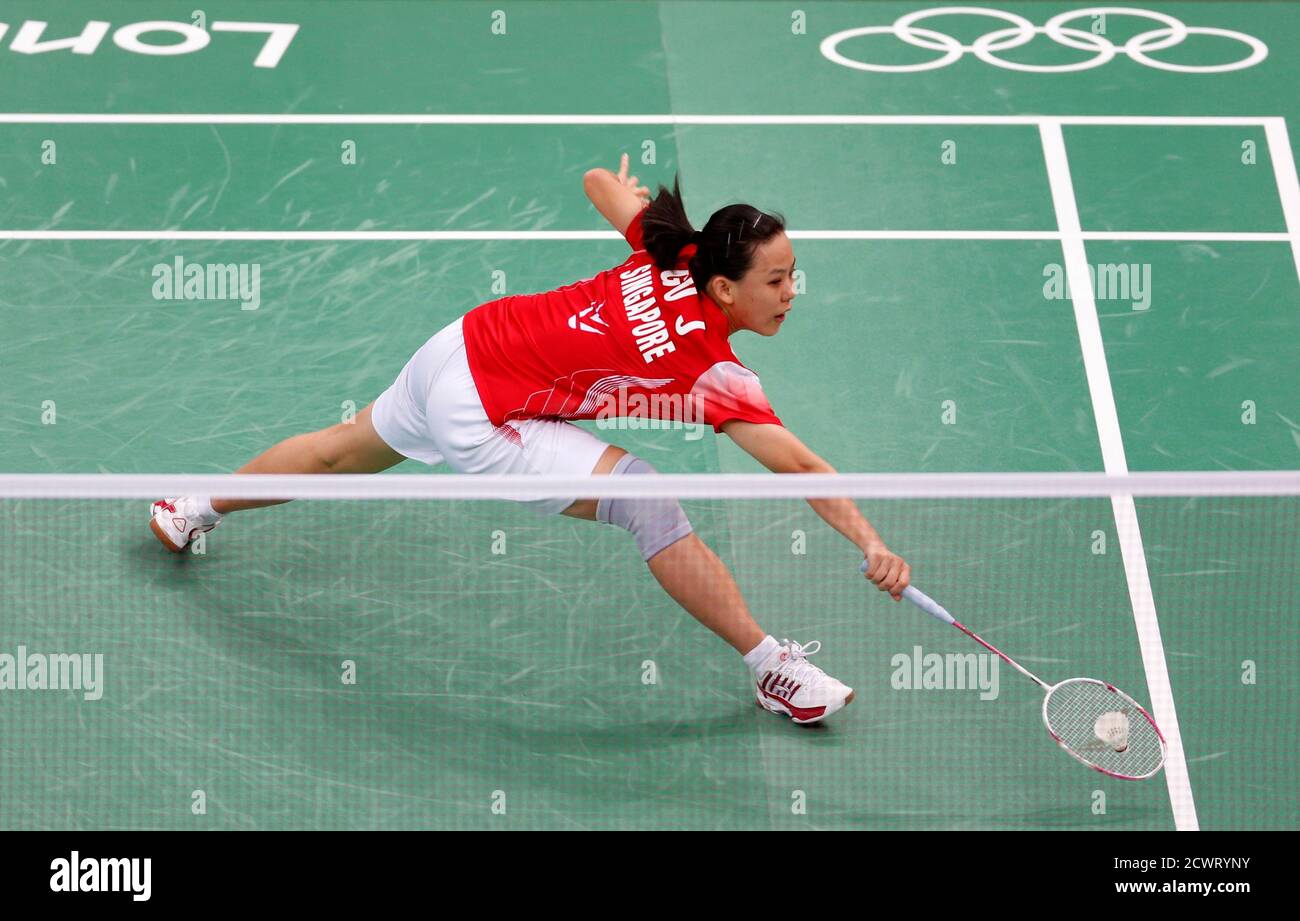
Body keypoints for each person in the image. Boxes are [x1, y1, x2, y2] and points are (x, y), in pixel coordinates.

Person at [150, 154, 912, 725]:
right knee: (645, 500)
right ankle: (768, 665)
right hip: (484, 414)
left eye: (793, 275)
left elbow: (594, 182)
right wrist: (870, 542)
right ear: (723, 287)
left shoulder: (674, 250)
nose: (790, 293)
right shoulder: (713, 369)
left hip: (465, 341)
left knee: (337, 450)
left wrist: (634, 199)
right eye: (776, 280)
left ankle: (191, 506)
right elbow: (800, 464)